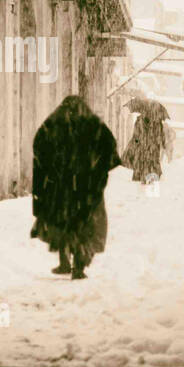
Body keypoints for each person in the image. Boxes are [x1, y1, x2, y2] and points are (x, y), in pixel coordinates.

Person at [30, 94, 122, 280]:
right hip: (86, 186)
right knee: (85, 225)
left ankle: (64, 262)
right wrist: (97, 171)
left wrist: (51, 172)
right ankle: (78, 267)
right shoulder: (93, 124)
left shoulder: (54, 123)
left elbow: (39, 148)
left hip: (61, 187)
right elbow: (109, 148)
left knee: (63, 223)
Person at [122, 102, 173, 183]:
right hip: (153, 149)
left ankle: (141, 184)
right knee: (152, 169)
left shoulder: (139, 121)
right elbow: (161, 136)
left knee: (141, 167)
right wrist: (162, 144)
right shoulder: (158, 123)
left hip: (142, 148)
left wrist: (136, 143)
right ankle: (151, 187)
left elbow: (136, 136)